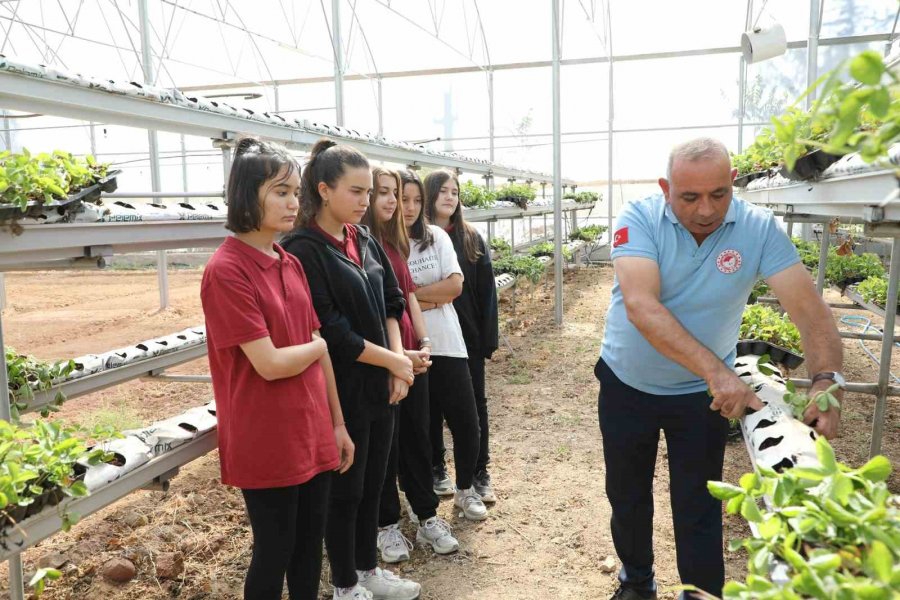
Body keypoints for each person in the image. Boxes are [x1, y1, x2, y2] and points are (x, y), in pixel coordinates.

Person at [598, 137, 843, 600]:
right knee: (627, 494)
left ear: (733, 183)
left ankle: (700, 592)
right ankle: (636, 579)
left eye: (718, 194)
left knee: (699, 501)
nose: (706, 209)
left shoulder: (758, 228)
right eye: (689, 197)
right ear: (665, 188)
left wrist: (828, 380)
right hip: (628, 383)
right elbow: (640, 305)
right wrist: (718, 372)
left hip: (699, 397)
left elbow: (810, 313)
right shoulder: (640, 218)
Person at [200, 138, 354, 600]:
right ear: (248, 195)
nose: (294, 203)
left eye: (294, 192)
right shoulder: (227, 270)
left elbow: (315, 350)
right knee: (274, 550)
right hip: (266, 435)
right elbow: (268, 364)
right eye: (280, 192)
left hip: (310, 428)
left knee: (309, 550)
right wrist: (318, 344)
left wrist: (338, 424)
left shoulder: (287, 261)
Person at [281, 140, 420, 600]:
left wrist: (398, 364)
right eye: (356, 191)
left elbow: (392, 302)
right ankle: (344, 582)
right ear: (323, 190)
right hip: (341, 389)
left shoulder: (360, 238)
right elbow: (333, 332)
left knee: (375, 482)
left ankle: (367, 568)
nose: (366, 201)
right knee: (347, 488)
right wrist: (395, 362)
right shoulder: (304, 249)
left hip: (382, 383)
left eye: (368, 192)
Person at [363, 167, 460, 562]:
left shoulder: (397, 244)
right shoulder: (364, 244)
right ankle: (387, 525)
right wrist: (396, 358)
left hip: (410, 356)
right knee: (387, 448)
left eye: (399, 195)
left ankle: (426, 516)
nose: (394, 202)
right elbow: (380, 310)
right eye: (385, 194)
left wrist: (422, 344)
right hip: (384, 359)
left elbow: (408, 299)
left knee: (418, 438)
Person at [400, 169, 487, 521]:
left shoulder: (435, 236)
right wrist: (429, 299)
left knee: (467, 421)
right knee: (420, 428)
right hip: (410, 347)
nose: (408, 206)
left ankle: (467, 489)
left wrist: (410, 297)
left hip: (449, 343)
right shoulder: (383, 243)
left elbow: (454, 286)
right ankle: (427, 498)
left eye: (415, 200)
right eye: (402, 199)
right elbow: (390, 299)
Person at [424, 169, 499, 503]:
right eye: (442, 191)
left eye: (455, 192)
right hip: (427, 335)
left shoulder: (470, 238)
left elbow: (486, 292)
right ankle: (435, 466)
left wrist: (487, 339)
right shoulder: (416, 239)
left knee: (474, 406)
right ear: (429, 195)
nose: (450, 197)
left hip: (466, 337)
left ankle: (479, 471)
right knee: (431, 406)